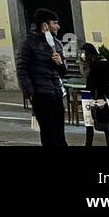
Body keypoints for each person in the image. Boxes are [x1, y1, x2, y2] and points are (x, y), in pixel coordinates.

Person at [16, 8, 67, 146]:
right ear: (45, 25)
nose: (58, 26)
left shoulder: (56, 44)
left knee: (60, 134)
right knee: (49, 134)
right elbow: (22, 69)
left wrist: (60, 63)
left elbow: (63, 72)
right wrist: (31, 93)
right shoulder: (29, 43)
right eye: (55, 23)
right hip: (41, 94)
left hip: (56, 93)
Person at [80, 43, 109, 147]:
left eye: (84, 53)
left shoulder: (98, 65)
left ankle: (90, 144)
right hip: (93, 95)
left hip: (97, 96)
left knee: (101, 123)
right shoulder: (95, 64)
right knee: (92, 123)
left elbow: (94, 81)